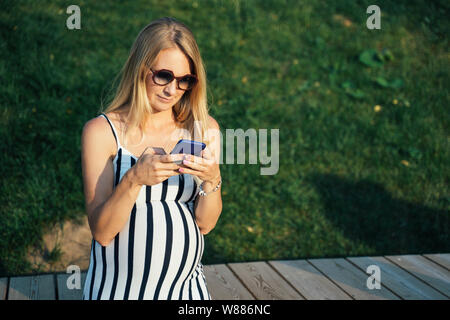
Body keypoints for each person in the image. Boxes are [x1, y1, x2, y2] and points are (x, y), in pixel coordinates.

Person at [81, 17, 222, 300]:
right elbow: (102, 232)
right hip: (118, 293)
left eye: (185, 80)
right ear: (139, 68)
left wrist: (212, 179)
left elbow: (206, 224)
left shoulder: (204, 129)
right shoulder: (102, 132)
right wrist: (133, 179)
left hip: (187, 293)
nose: (172, 89)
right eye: (164, 76)